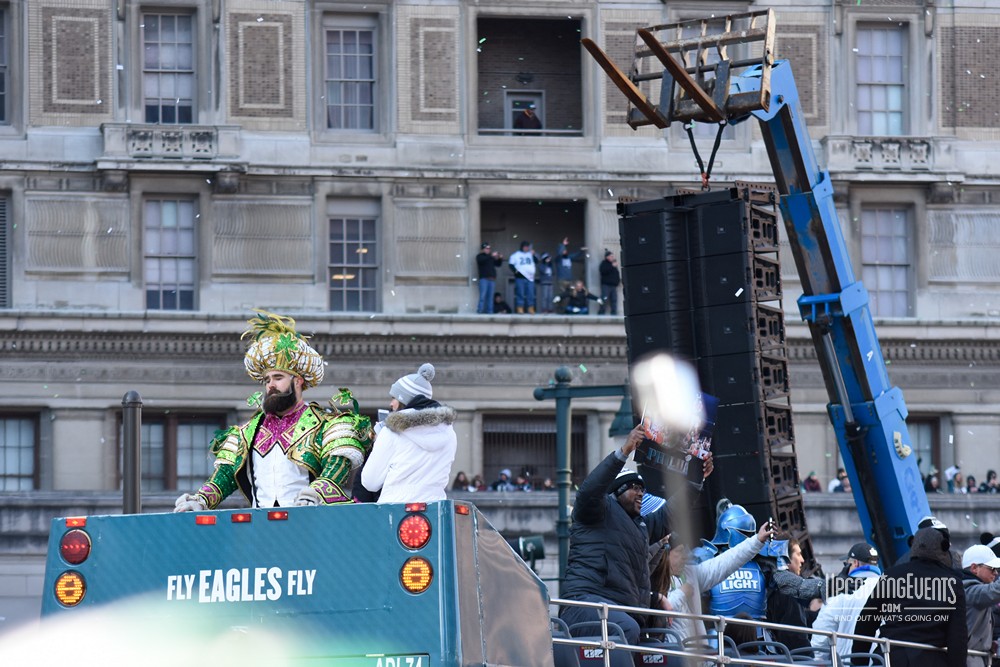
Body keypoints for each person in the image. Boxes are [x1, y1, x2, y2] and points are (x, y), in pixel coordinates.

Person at [174, 311, 373, 511]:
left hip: (312, 524)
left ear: (298, 381)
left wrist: (315, 493)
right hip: (262, 528)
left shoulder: (328, 426)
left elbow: (335, 469)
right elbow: (225, 476)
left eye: (278, 378)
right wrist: (200, 500)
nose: (270, 385)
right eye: (267, 380)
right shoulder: (247, 432)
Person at [559, 424, 713, 645]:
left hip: (620, 610)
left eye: (643, 489)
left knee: (660, 643)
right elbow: (591, 489)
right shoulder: (597, 510)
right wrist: (624, 452)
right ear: (617, 492)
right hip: (586, 605)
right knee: (626, 628)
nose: (641, 493)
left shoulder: (640, 526)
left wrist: (697, 478)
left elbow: (672, 514)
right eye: (634, 488)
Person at [854, 526, 967, 667]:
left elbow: (867, 621)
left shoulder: (891, 575)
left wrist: (858, 662)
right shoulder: (953, 583)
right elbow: (957, 636)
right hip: (930, 660)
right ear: (943, 548)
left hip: (890, 658)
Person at [650, 521, 774, 642]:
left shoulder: (690, 574)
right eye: (679, 552)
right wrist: (683, 592)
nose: (684, 557)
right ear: (665, 554)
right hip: (672, 654)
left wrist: (757, 540)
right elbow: (662, 606)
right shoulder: (651, 577)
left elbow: (725, 562)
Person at [361, 363, 457, 504]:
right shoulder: (450, 433)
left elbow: (370, 482)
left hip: (395, 508)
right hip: (435, 509)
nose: (391, 404)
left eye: (394, 398)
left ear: (404, 399)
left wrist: (378, 441)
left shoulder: (391, 431)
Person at [811, 542, 882, 658]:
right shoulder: (890, 589)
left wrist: (818, 661)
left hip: (848, 662)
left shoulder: (841, 590)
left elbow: (822, 635)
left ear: (855, 563)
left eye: (846, 563)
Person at [960, 544, 1000, 666]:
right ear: (974, 568)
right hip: (969, 659)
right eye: (992, 568)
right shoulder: (968, 590)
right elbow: (995, 591)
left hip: (977, 657)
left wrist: (989, 642)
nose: (996, 573)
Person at [508, 240, 537, 314]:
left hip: (530, 278)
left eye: (527, 247)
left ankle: (530, 308)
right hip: (520, 278)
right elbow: (511, 265)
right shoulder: (516, 255)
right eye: (525, 247)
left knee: (530, 293)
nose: (526, 248)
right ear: (522, 247)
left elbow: (537, 261)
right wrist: (516, 272)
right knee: (520, 293)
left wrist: (534, 255)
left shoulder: (530, 254)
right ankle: (520, 307)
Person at [475, 242, 503, 314]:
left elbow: (498, 264)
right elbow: (481, 260)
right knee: (482, 296)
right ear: (483, 249)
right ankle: (480, 310)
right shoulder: (480, 256)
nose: (488, 250)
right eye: (486, 248)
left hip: (492, 280)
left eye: (489, 248)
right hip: (484, 279)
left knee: (490, 297)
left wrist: (500, 258)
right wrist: (492, 256)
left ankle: (489, 311)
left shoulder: (491, 258)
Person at [597, 250, 621, 315]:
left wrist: (618, 281)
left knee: (614, 300)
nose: (612, 257)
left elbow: (616, 274)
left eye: (613, 256)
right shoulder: (604, 263)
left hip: (613, 286)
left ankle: (614, 313)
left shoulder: (613, 265)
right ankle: (601, 312)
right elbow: (603, 271)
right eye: (611, 256)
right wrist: (612, 266)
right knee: (604, 299)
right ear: (607, 257)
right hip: (606, 285)